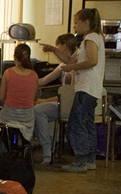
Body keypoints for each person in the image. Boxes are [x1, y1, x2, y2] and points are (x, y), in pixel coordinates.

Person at [43, 9, 105, 173]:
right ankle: (90, 160)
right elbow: (70, 59)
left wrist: (71, 68)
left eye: (77, 22)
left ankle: (81, 161)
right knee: (86, 124)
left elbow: (92, 61)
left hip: (87, 88)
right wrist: (54, 50)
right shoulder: (89, 39)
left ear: (86, 22)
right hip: (89, 89)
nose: (75, 26)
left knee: (76, 124)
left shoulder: (91, 39)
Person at [34, 34, 78, 165]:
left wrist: (44, 101)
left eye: (57, 46)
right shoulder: (62, 66)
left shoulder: (74, 67)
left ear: (64, 46)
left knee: (38, 110)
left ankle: (47, 152)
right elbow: (43, 81)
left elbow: (67, 97)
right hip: (63, 104)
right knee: (42, 110)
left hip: (71, 106)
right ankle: (50, 148)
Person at [0, 44, 39, 143]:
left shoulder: (8, 73)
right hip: (27, 118)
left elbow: (0, 98)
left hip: (9, 117)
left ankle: (10, 148)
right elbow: (34, 100)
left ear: (14, 57)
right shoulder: (34, 75)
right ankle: (23, 146)